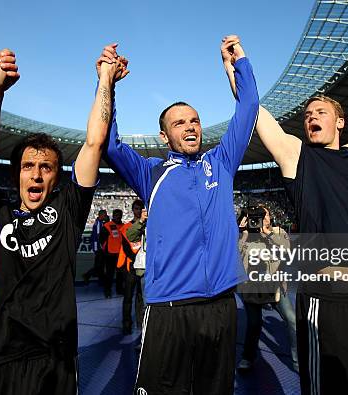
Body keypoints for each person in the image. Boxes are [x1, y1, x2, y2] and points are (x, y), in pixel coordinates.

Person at [102, 35, 259, 394]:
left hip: (220, 306)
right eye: (179, 123)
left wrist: (238, 64)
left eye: (195, 121)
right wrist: (108, 84)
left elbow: (249, 106)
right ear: (164, 135)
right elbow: (109, 144)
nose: (190, 127)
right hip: (168, 309)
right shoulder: (151, 174)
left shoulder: (220, 163)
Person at [0, 49, 126, 394]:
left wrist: (105, 81)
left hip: (56, 362)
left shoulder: (68, 208)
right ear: (16, 175)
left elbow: (95, 142)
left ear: (56, 177)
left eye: (46, 167)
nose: (36, 176)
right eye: (27, 167)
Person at [231, 44, 348, 393]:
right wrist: (237, 66)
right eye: (307, 114)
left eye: (320, 112)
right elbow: (256, 113)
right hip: (323, 298)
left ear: (339, 122)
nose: (311, 117)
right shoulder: (296, 157)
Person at [236, 205, 298, 372]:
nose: (263, 219)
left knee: (292, 319)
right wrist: (243, 234)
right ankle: (248, 357)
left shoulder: (278, 232)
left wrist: (268, 234)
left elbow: (287, 252)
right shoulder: (244, 236)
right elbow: (236, 259)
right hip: (252, 288)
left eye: (265, 215)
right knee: (254, 323)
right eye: (256, 217)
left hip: (275, 286)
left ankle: (298, 362)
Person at [119, 199, 145, 334]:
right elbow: (126, 248)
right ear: (132, 210)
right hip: (130, 268)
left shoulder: (147, 226)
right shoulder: (125, 228)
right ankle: (126, 324)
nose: (138, 211)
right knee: (128, 297)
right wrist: (137, 259)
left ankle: (141, 325)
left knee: (141, 298)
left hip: (142, 268)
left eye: (140, 208)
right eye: (135, 208)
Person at [100, 208, 124, 297]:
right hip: (110, 254)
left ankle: (119, 290)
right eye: (116, 215)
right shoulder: (107, 226)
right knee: (109, 274)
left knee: (120, 274)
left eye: (119, 215)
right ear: (113, 215)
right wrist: (106, 250)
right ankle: (107, 291)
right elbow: (102, 240)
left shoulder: (124, 226)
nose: (118, 216)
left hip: (121, 255)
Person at [83, 209, 107, 285]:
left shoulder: (99, 223)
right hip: (99, 247)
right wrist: (101, 246)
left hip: (98, 246)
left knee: (100, 264)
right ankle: (87, 275)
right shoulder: (99, 224)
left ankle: (101, 279)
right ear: (101, 215)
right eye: (105, 215)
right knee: (99, 265)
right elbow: (99, 236)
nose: (106, 216)